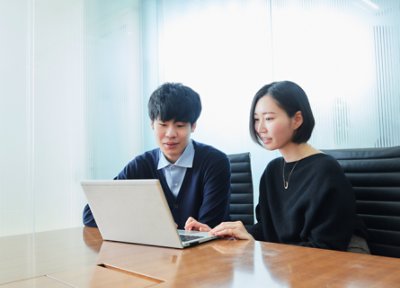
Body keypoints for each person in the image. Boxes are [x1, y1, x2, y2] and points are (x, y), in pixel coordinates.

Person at [185, 80, 369, 253]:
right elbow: (266, 229)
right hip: (289, 266)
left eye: (269, 118)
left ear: (297, 119)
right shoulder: (272, 170)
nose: (260, 128)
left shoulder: (326, 171)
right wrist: (222, 235)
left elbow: (325, 248)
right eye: (257, 119)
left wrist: (261, 248)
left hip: (333, 266)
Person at [83, 82, 231, 229]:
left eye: (179, 125)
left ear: (193, 126)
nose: (170, 134)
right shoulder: (141, 165)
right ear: (152, 124)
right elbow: (90, 215)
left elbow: (210, 227)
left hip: (204, 252)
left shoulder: (215, 163)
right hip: (154, 251)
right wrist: (146, 223)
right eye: (163, 124)